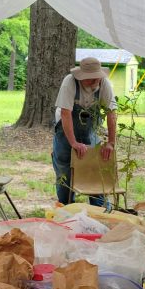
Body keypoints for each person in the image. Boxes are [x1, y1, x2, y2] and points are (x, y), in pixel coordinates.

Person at [51, 57, 118, 206]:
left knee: (94, 166)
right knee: (64, 170)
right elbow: (65, 113)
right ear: (81, 77)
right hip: (65, 130)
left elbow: (111, 113)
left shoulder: (104, 83)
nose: (95, 82)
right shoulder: (69, 82)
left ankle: (100, 209)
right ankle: (66, 208)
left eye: (97, 78)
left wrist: (111, 143)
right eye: (90, 79)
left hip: (89, 130)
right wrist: (73, 143)